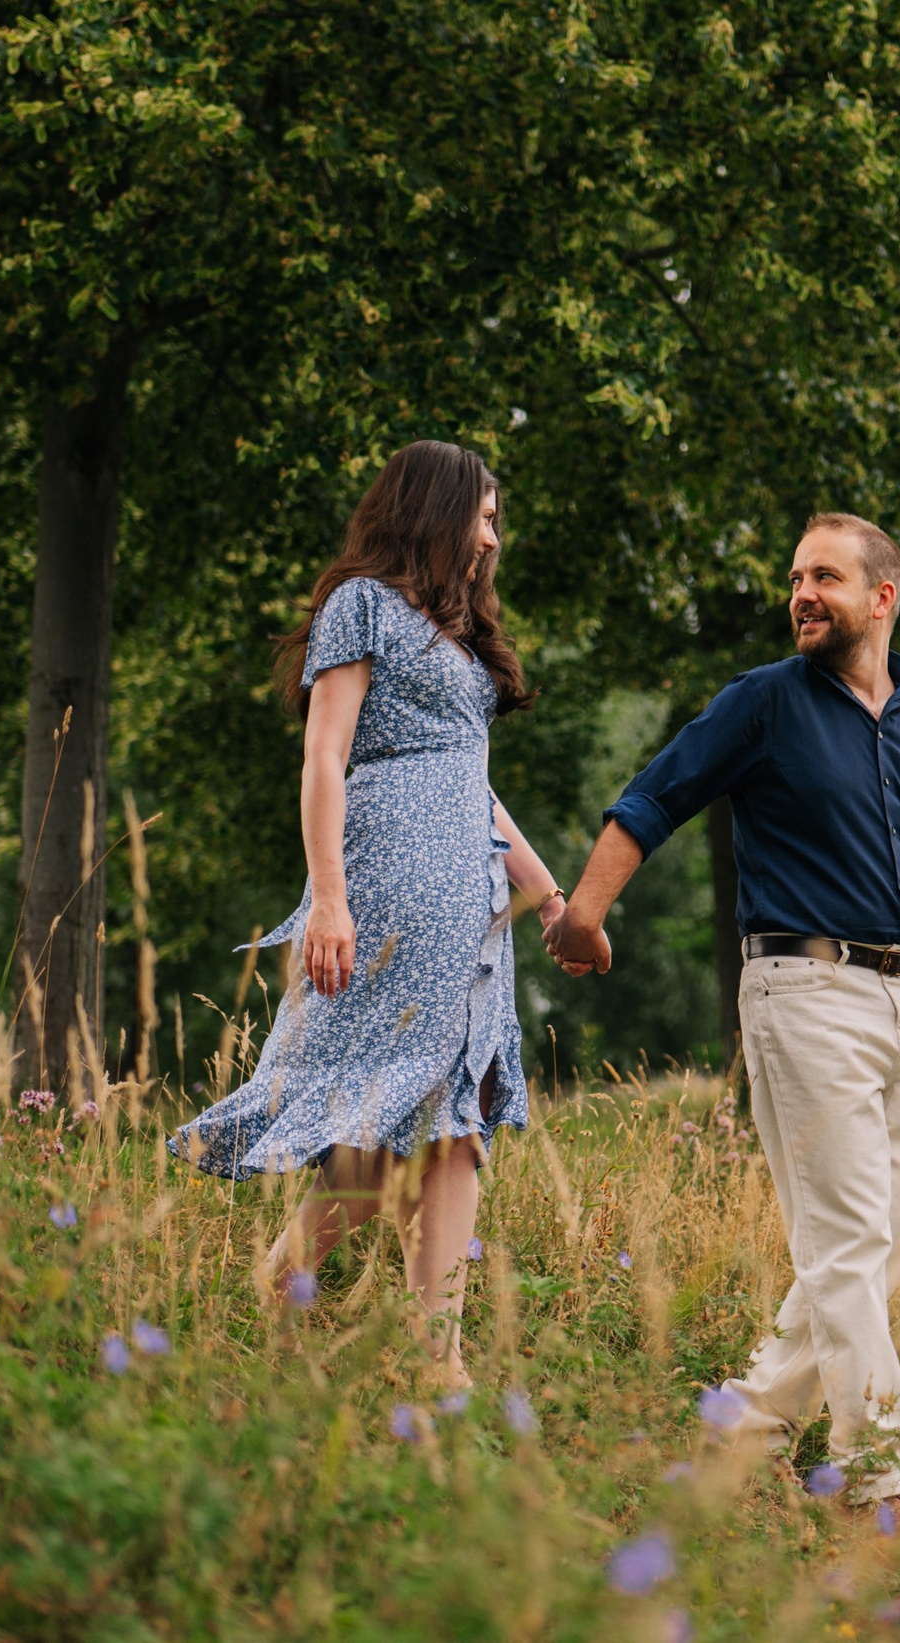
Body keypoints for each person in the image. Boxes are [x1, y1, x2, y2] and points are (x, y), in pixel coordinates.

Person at [547, 512, 900, 1539]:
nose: (801, 594)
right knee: (848, 1242)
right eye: (794, 579)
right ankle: (874, 1489)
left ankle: (743, 1430)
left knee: (886, 1243)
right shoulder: (765, 702)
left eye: (824, 576)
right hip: (801, 989)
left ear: (882, 597)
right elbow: (653, 798)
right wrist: (585, 912)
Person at [171, 440, 584, 1386]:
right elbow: (324, 754)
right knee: (376, 1122)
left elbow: (477, 790)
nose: (493, 538)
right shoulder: (360, 604)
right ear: (436, 510)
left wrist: (552, 899)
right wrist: (328, 897)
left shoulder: (462, 638)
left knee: (454, 1126)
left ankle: (442, 1363)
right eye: (484, 517)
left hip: (472, 904)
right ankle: (279, 1286)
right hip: (388, 880)